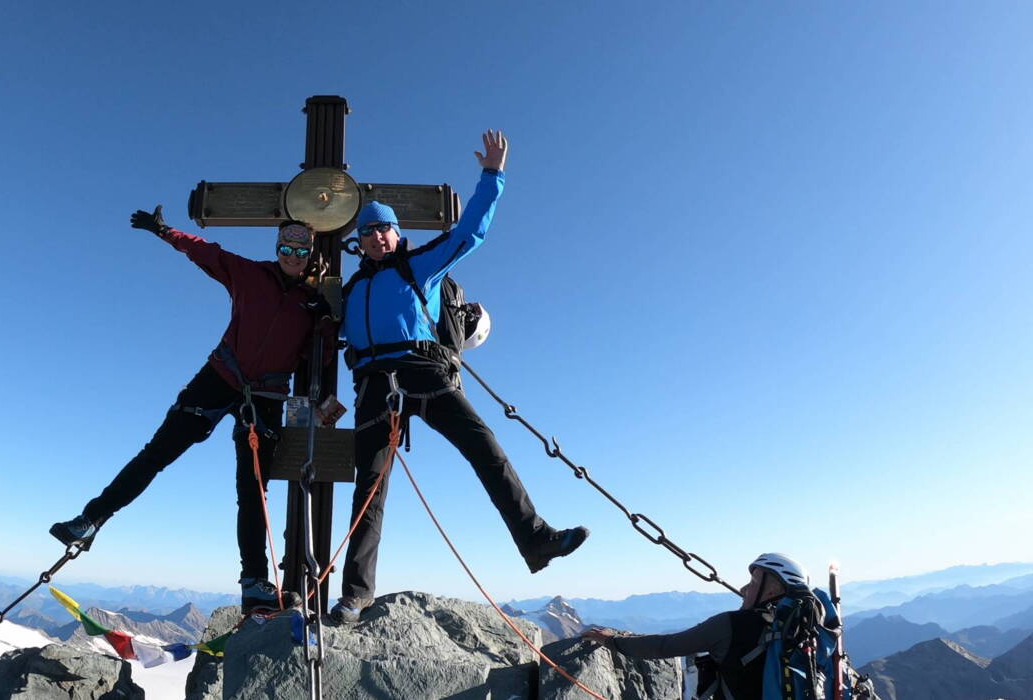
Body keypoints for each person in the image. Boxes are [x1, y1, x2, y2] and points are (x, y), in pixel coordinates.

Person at [329, 130, 589, 625]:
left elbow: (470, 232)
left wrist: (493, 176)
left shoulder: (419, 267)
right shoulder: (353, 288)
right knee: (369, 488)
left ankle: (536, 539)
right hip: (372, 386)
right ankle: (355, 594)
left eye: (384, 229)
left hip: (423, 371)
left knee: (483, 446)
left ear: (396, 233)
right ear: (358, 241)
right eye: (368, 232)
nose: (377, 237)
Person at [50, 209, 333, 612]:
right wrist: (165, 232)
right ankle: (90, 520)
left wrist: (325, 325)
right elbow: (205, 252)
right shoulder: (250, 274)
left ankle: (254, 581)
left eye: (300, 249)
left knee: (253, 491)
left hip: (267, 396)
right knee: (158, 452)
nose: (292, 255)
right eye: (286, 247)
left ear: (309, 254)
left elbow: (312, 361)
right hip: (219, 376)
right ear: (277, 248)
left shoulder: (311, 304)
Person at [582, 553, 811, 700]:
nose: (743, 589)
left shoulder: (729, 625)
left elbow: (665, 646)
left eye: (752, 584)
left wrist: (611, 640)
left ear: (771, 592)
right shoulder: (803, 631)